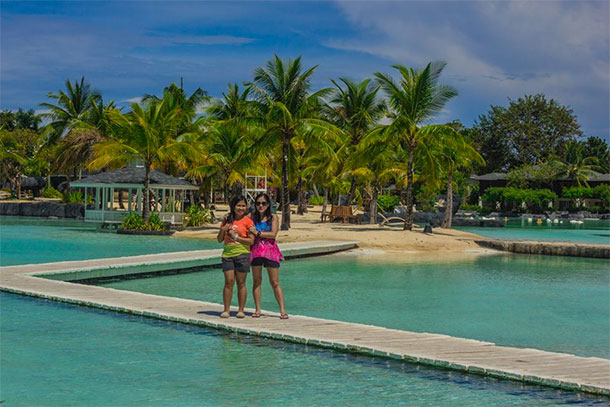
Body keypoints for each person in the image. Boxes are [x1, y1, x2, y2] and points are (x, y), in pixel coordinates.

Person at [248, 193, 288, 319]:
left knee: (274, 282)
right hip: (256, 252)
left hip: (270, 251)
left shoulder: (273, 217)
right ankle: (258, 309)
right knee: (257, 281)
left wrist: (258, 233)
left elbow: (273, 234)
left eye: (263, 203)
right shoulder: (251, 217)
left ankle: (282, 310)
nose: (261, 206)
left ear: (268, 204)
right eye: (258, 203)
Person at [217, 195, 255, 318]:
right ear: (233, 206)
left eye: (243, 205)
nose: (241, 208)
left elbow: (251, 241)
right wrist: (224, 230)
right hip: (228, 254)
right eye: (238, 205)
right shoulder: (227, 219)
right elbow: (219, 239)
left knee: (241, 282)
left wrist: (236, 237)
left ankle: (241, 310)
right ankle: (226, 309)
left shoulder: (248, 221)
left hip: (242, 254)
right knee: (229, 281)